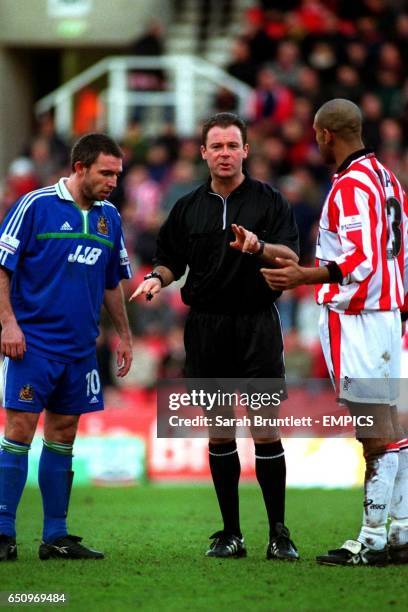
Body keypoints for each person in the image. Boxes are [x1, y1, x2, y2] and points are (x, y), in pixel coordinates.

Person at [131, 112, 300, 560]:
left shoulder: (269, 201)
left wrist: (259, 246)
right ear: (204, 152)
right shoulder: (187, 208)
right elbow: (170, 260)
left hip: (256, 325)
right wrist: (156, 279)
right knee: (220, 431)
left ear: (246, 150)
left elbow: (291, 256)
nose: (225, 153)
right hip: (206, 327)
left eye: (232, 145)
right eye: (217, 146)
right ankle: (231, 534)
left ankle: (279, 534)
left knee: (265, 430)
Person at [261, 98, 408, 566]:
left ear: (326, 133)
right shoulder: (387, 179)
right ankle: (401, 532)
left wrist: (305, 277)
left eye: (316, 133)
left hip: (360, 319)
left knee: (374, 430)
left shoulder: (350, 187)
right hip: (387, 315)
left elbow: (360, 260)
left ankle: (370, 539)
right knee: (393, 426)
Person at [0, 133, 133, 561]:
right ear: (79, 168)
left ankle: (55, 536)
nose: (113, 181)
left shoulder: (109, 218)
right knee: (19, 432)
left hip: (79, 350)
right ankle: (3, 532)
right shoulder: (35, 206)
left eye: (117, 173)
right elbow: (2, 268)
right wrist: (8, 325)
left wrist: (124, 336)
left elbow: (112, 281)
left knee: (63, 434)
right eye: (105, 173)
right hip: (31, 345)